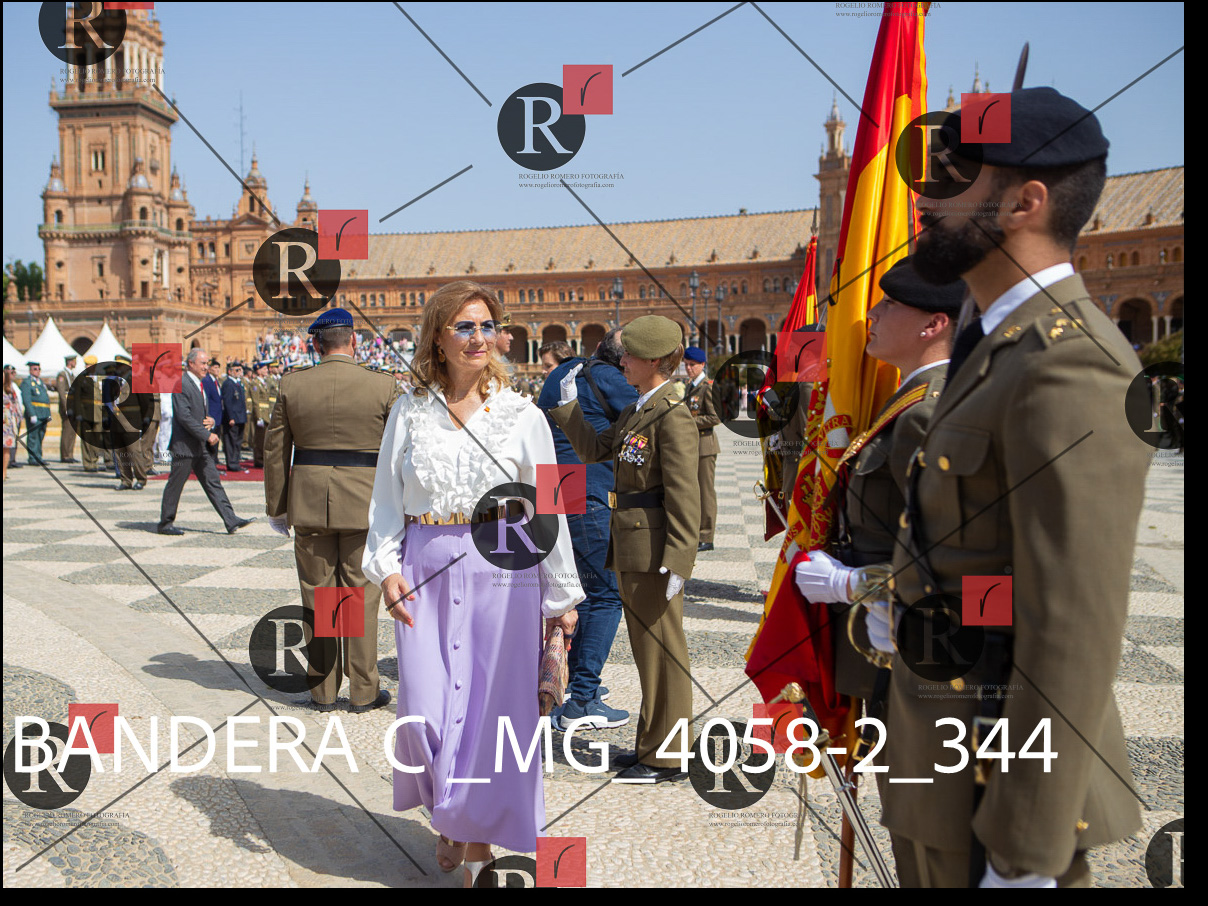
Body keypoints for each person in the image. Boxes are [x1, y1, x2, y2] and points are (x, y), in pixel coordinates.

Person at [885, 87, 1150, 888]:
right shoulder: (997, 342)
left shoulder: (1069, 361)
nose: (923, 199)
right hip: (944, 760)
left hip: (996, 785)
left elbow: (1070, 623)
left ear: (1024, 203)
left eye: (952, 179)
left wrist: (1027, 851)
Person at [363, 281, 582, 885]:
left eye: (487, 326)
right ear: (437, 336)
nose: (479, 337)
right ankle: (453, 811)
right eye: (464, 326)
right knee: (423, 712)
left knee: (492, 714)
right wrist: (386, 569)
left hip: (504, 571)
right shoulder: (409, 411)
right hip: (425, 568)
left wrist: (562, 596)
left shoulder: (523, 415)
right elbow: (385, 501)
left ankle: (471, 836)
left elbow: (549, 506)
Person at [793, 256, 960, 705]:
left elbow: (965, 556)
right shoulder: (910, 398)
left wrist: (855, 583)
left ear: (933, 324)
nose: (872, 313)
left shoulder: (928, 411)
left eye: (889, 304)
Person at [550, 315, 699, 783]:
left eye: (631, 355)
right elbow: (596, 450)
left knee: (663, 653)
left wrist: (679, 559)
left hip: (655, 551)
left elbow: (684, 494)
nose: (623, 362)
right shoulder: (640, 407)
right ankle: (651, 746)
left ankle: (670, 757)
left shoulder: (672, 413)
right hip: (633, 544)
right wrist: (569, 408)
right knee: (648, 653)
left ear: (654, 361)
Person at [264, 308, 400, 714]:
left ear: (316, 344)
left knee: (318, 596)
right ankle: (363, 690)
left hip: (309, 504)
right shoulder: (382, 384)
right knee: (359, 596)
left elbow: (275, 449)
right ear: (353, 341)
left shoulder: (292, 384)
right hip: (365, 503)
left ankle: (323, 690)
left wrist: (277, 507)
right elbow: (399, 452)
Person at [537, 327, 638, 729]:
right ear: (625, 360)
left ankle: (569, 683)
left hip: (551, 486)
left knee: (573, 588)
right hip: (586, 489)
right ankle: (583, 698)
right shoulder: (610, 377)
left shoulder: (561, 374)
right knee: (607, 594)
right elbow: (647, 419)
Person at [158, 347, 255, 536]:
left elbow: (197, 411)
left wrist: (209, 420)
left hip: (199, 446)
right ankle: (165, 523)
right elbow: (184, 416)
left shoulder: (199, 383)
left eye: (207, 363)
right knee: (176, 484)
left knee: (213, 481)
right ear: (191, 363)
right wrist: (206, 434)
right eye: (202, 363)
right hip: (185, 446)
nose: (206, 367)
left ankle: (230, 519)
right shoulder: (181, 383)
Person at [681, 347, 720, 552]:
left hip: (705, 446)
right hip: (692, 446)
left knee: (705, 492)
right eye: (686, 365)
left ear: (702, 365)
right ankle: (696, 532)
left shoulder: (707, 387)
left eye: (692, 365)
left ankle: (706, 535)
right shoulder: (691, 386)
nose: (689, 368)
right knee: (693, 492)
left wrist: (688, 422)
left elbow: (715, 417)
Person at [112, 353, 153, 491]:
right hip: (116, 422)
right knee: (120, 453)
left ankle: (141, 478)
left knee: (134, 452)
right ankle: (125, 480)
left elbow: (145, 401)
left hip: (132, 421)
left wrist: (145, 418)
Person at [78, 354, 108, 473]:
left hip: (99, 412)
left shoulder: (100, 379)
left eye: (90, 365)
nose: (87, 367)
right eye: (86, 365)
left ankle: (94, 461)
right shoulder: (81, 379)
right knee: (86, 439)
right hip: (86, 412)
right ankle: (87, 463)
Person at [20, 361, 52, 466]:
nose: (37, 371)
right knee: (33, 436)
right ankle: (32, 458)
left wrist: (48, 413)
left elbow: (45, 398)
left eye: (39, 369)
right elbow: (26, 399)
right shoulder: (27, 382)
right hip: (35, 413)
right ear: (30, 370)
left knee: (41, 435)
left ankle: (38, 456)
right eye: (35, 369)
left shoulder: (40, 382)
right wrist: (31, 414)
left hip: (43, 413)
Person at [220, 361, 249, 473]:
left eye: (240, 370)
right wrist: (230, 417)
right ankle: (232, 463)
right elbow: (227, 402)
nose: (239, 372)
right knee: (231, 441)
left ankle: (236, 462)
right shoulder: (228, 383)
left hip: (240, 417)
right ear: (230, 371)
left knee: (237, 441)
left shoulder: (238, 383)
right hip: (233, 418)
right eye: (237, 370)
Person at [56, 353, 80, 463]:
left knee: (72, 431)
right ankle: (65, 455)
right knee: (67, 430)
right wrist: (66, 407)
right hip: (68, 406)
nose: (75, 363)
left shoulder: (71, 375)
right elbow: (62, 393)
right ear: (70, 362)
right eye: (74, 361)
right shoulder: (62, 374)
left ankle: (70, 454)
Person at [201, 359, 224, 469]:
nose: (217, 370)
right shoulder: (207, 381)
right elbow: (206, 399)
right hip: (211, 416)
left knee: (216, 442)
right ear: (209, 369)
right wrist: (208, 415)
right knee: (211, 443)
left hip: (218, 416)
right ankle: (210, 466)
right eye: (215, 367)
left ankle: (214, 462)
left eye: (218, 367)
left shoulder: (215, 381)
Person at [3, 366, 22, 480]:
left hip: (7, 423)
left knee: (6, 448)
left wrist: (17, 418)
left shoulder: (10, 390)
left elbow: (16, 405)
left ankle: (4, 472)